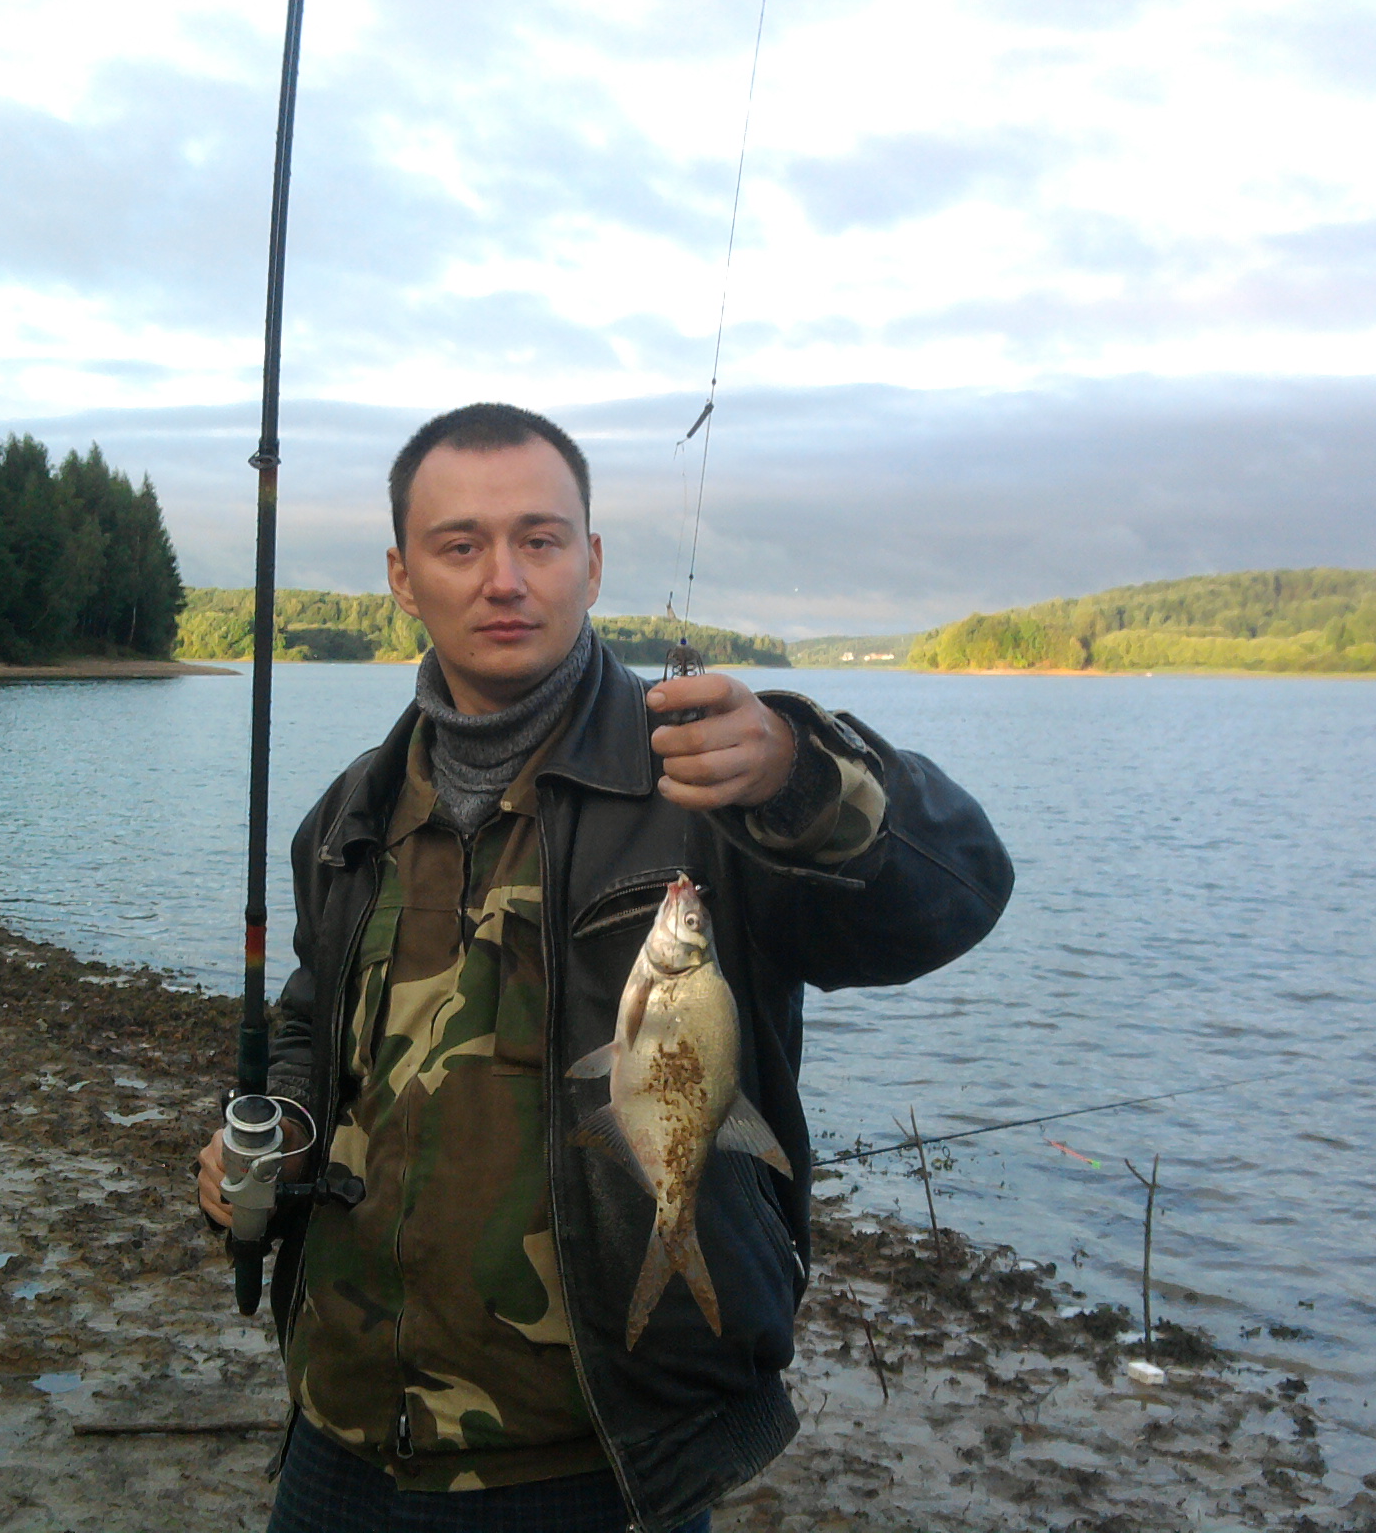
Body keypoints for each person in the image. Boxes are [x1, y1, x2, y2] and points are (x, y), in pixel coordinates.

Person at [198, 403, 1013, 1533]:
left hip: (602, 1464)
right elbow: (309, 1019)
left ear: (591, 562)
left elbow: (957, 894)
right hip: (340, 1437)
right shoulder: (351, 814)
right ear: (401, 577)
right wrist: (281, 1126)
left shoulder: (713, 782)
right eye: (459, 545)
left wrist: (800, 772)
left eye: (538, 540)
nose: (503, 579)